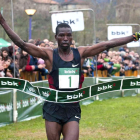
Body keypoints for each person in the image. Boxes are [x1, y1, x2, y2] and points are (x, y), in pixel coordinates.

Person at [0, 11, 139, 140]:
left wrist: (134, 37)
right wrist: (3, 22)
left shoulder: (81, 53)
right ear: (56, 37)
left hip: (72, 106)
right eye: (62, 35)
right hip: (53, 106)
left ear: (72, 37)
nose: (65, 38)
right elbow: (21, 44)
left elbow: (108, 43)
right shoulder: (49, 54)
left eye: (68, 35)